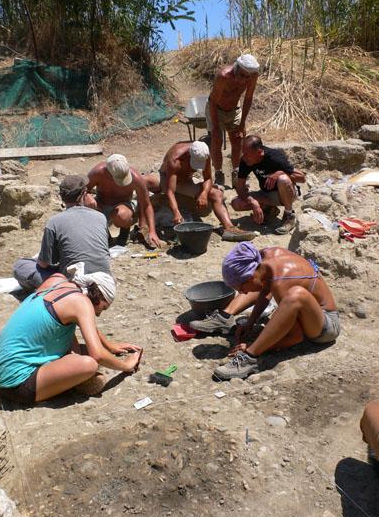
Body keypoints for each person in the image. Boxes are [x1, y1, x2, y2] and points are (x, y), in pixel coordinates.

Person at [0, 268, 142, 404]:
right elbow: (98, 355)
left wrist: (108, 345)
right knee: (90, 364)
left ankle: (73, 377)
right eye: (102, 308)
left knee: (89, 352)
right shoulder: (81, 303)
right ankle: (75, 382)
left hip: (0, 367)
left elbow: (79, 323)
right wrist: (126, 366)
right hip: (15, 383)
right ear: (97, 296)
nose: (98, 314)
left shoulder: (57, 281)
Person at [212, 242, 340, 380]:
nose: (242, 292)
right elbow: (265, 290)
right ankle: (224, 317)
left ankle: (250, 358)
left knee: (296, 295)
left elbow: (295, 337)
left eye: (241, 288)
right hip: (309, 315)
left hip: (326, 328)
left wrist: (252, 346)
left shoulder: (282, 281)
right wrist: (250, 323)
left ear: (251, 277)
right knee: (264, 287)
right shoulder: (264, 258)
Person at [145, 140, 257, 242]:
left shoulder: (204, 153)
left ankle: (229, 228)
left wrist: (204, 193)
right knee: (147, 181)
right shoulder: (175, 159)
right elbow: (170, 191)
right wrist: (176, 212)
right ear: (188, 154)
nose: (195, 168)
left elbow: (208, 178)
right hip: (167, 179)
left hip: (186, 181)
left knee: (217, 194)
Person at [14, 174, 111, 291]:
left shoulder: (54, 222)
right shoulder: (101, 217)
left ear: (62, 197)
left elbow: (43, 264)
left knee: (21, 266)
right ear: (84, 193)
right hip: (105, 281)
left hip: (74, 285)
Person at [231, 135, 306, 234]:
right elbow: (240, 188)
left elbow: (302, 178)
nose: (243, 157)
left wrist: (280, 173)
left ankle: (289, 215)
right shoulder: (246, 161)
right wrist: (253, 202)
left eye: (246, 154)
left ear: (259, 152)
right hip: (267, 195)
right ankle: (270, 209)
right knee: (236, 203)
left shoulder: (274, 157)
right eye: (243, 152)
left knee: (283, 179)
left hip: (287, 194)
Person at [206, 54, 259, 189]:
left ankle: (237, 172)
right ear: (236, 68)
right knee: (216, 140)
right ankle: (218, 174)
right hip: (216, 108)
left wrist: (242, 124)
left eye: (247, 77)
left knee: (238, 140)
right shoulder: (223, 76)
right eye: (242, 76)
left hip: (235, 109)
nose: (244, 80)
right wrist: (216, 127)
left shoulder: (252, 76)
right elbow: (213, 101)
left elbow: (248, 98)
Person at [87, 154, 162, 248]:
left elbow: (146, 204)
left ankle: (124, 234)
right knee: (86, 204)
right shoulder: (97, 172)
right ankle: (106, 237)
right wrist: (88, 196)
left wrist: (152, 231)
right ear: (108, 171)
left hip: (123, 205)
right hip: (101, 204)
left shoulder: (136, 177)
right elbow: (83, 190)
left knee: (122, 215)